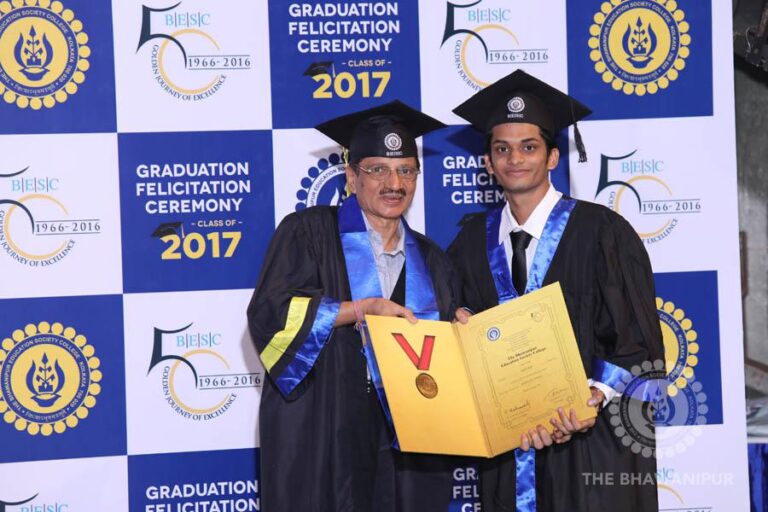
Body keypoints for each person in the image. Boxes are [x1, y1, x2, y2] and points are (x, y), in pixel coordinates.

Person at [447, 70, 664, 512]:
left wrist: (593, 397)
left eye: (529, 147)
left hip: (591, 448)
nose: (515, 159)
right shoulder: (469, 244)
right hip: (510, 454)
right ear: (487, 162)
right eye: (502, 149)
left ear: (552, 157)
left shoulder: (603, 232)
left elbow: (639, 340)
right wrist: (457, 327)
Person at [247, 101, 460, 512]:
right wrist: (361, 309)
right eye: (378, 170)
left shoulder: (434, 260)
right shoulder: (307, 233)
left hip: (404, 444)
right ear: (351, 177)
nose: (394, 183)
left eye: (406, 171)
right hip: (323, 429)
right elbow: (271, 315)